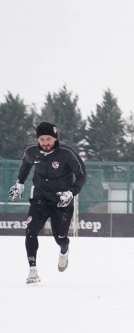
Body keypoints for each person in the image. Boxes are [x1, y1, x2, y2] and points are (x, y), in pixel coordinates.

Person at [7, 122, 87, 284]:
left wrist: (71, 193)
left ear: (55, 139)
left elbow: (82, 176)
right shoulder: (31, 152)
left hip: (62, 201)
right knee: (30, 231)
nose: (45, 143)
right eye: (41, 139)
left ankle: (64, 251)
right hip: (40, 199)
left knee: (60, 237)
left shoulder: (67, 154)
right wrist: (20, 183)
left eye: (48, 139)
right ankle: (33, 271)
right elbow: (25, 167)